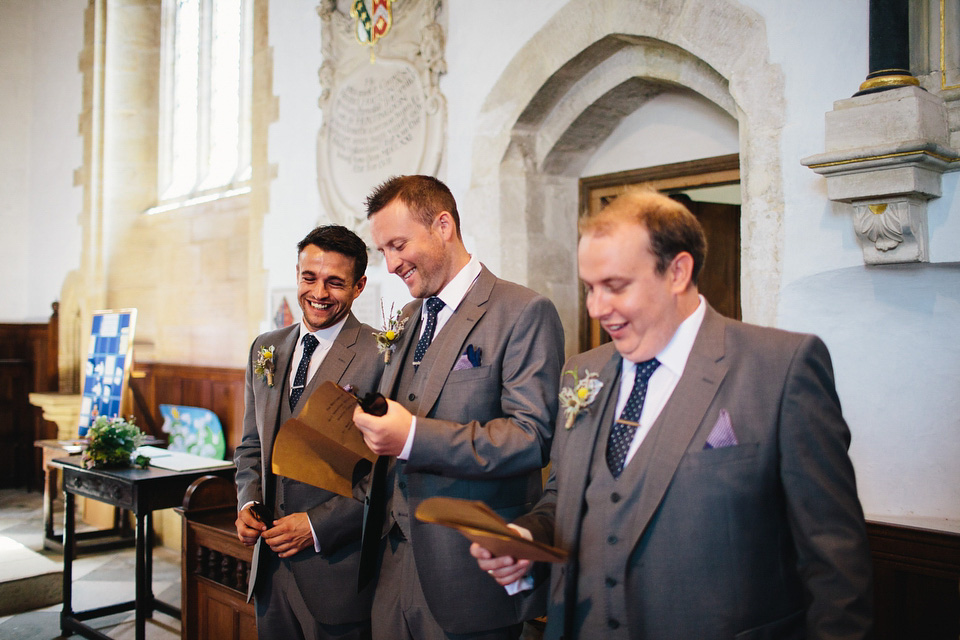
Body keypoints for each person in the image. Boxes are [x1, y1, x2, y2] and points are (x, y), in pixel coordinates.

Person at [471, 187, 874, 639]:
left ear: (678, 271)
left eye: (616, 286)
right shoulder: (583, 372)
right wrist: (527, 541)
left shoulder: (780, 368)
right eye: (590, 288)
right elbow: (565, 499)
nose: (596, 308)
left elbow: (836, 564)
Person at [352, 175, 565, 640]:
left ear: (443, 225)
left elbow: (532, 438)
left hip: (469, 572)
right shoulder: (407, 318)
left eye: (398, 244)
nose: (390, 265)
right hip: (391, 568)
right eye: (382, 250)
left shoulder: (523, 311)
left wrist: (411, 438)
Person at [235, 225, 384, 640]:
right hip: (270, 569)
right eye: (309, 277)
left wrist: (319, 526)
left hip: (336, 568)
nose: (319, 292)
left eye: (335, 282)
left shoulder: (382, 354)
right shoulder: (265, 347)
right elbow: (250, 445)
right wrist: (248, 502)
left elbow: (387, 473)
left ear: (359, 286)